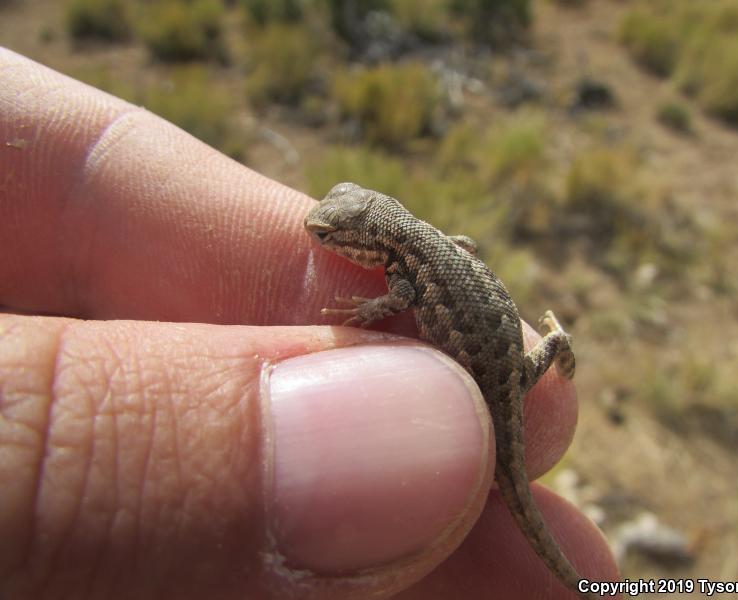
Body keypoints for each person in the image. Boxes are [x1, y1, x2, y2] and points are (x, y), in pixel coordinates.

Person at [0, 48, 618, 599]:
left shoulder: (406, 272)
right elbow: (469, 244)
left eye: (329, 238)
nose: (317, 237)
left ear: (368, 246)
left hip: (489, 375)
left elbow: (398, 299)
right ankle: (560, 349)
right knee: (530, 394)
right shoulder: (431, 242)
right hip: (506, 360)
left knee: (496, 453)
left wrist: (367, 313)